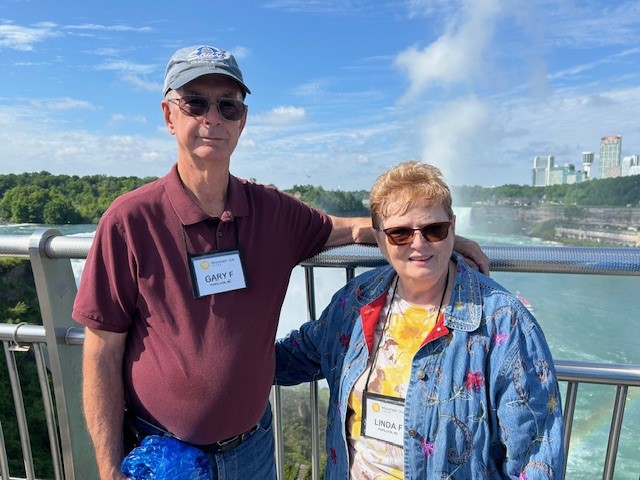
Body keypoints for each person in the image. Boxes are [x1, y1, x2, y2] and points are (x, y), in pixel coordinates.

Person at [72, 45, 489, 480]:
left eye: (228, 105)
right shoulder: (130, 221)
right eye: (195, 103)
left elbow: (348, 229)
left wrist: (430, 235)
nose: (212, 118)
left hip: (252, 450)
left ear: (242, 120)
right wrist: (109, 468)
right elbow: (101, 351)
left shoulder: (272, 212)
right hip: (163, 454)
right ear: (169, 115)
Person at [275, 161, 564, 479]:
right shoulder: (355, 301)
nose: (419, 244)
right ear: (380, 239)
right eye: (400, 233)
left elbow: (535, 455)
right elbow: (295, 356)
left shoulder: (504, 323)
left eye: (434, 230)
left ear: (452, 228)